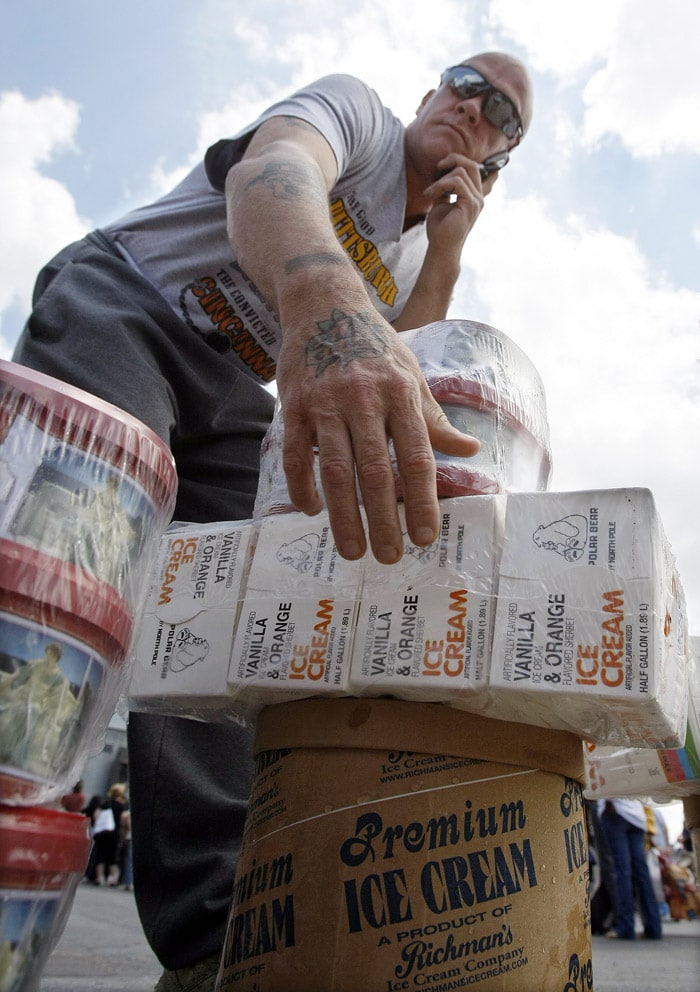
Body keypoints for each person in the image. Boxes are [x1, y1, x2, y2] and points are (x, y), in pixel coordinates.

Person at [12, 53, 533, 991]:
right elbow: (273, 172)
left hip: (230, 394)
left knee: (220, 620)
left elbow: (403, 351)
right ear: (427, 93)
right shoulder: (360, 118)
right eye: (464, 81)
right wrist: (322, 295)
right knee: (87, 542)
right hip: (131, 300)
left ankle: (216, 942)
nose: (472, 106)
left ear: (499, 156)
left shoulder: (418, 249)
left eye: (501, 113)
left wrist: (447, 253)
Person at [598, 798, 663, 940]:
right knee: (642, 873)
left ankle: (625, 926)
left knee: (622, 871)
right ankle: (654, 926)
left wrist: (608, 803)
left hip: (615, 810)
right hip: (637, 816)